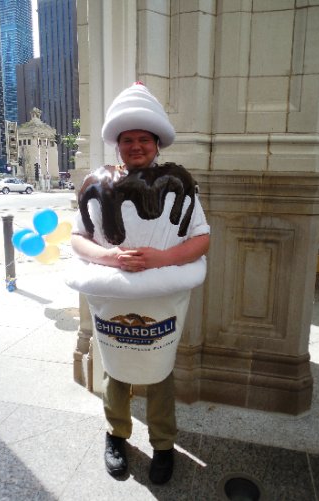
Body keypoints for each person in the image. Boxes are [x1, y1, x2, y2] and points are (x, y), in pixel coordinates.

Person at [69, 82, 210, 484]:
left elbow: (202, 238)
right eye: (127, 139)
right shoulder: (96, 185)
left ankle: (163, 443)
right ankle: (117, 435)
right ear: (117, 145)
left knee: (160, 369)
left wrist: (164, 258)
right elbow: (78, 239)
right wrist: (111, 257)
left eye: (143, 139)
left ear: (156, 143)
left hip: (163, 294)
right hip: (114, 294)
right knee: (117, 367)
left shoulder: (180, 186)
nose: (135, 146)